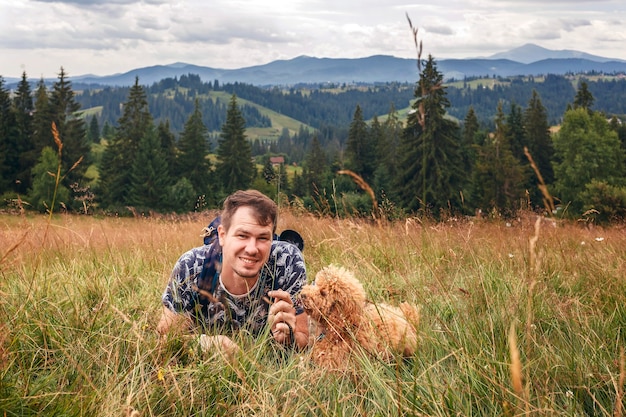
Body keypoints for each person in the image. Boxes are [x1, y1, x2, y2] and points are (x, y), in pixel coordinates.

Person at [157, 189, 309, 354]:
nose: (252, 249)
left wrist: (290, 337)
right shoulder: (192, 266)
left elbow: (304, 338)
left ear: (272, 239)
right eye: (242, 236)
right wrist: (206, 343)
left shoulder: (287, 262)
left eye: (263, 238)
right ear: (222, 235)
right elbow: (166, 339)